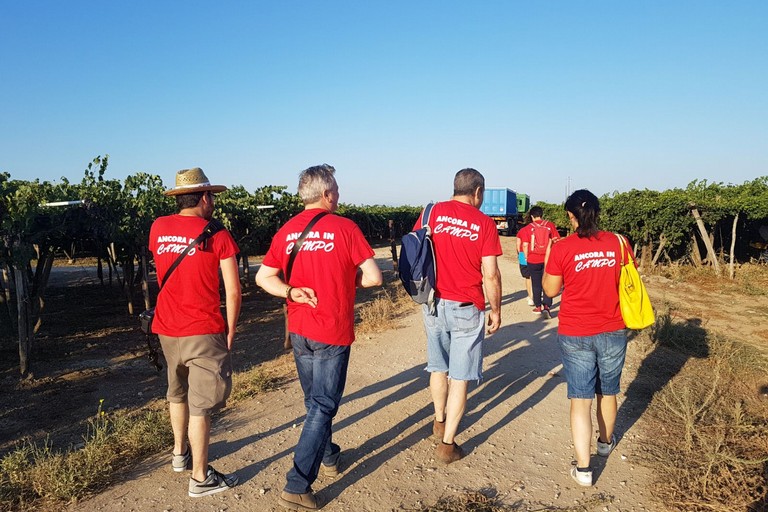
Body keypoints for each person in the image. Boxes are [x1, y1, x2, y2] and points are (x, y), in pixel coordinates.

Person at [255, 164, 382, 511]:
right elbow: (373, 278)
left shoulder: (286, 231)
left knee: (315, 403)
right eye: (336, 190)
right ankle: (297, 484)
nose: (339, 196)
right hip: (331, 330)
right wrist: (345, 279)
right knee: (324, 405)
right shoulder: (346, 228)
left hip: (300, 330)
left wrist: (291, 291)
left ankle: (328, 455)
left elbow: (264, 278)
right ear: (326, 194)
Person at [148, 167, 242, 497]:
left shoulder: (158, 228)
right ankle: (200, 478)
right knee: (201, 406)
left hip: (166, 327)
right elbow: (232, 291)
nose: (213, 202)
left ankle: (179, 455)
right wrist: (230, 331)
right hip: (203, 329)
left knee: (177, 392)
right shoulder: (217, 233)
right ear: (204, 197)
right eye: (211, 196)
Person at [542, 189, 628, 487]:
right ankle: (605, 443)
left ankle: (583, 469)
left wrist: (552, 255)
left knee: (581, 398)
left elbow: (551, 291)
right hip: (613, 328)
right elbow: (627, 280)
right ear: (597, 212)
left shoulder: (563, 248)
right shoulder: (619, 242)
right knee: (608, 391)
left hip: (576, 331)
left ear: (570, 216)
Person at [418, 168, 502, 464]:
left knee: (438, 368)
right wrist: (496, 309)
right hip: (467, 307)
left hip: (432, 303)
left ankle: (438, 419)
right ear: (477, 192)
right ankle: (447, 443)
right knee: (461, 377)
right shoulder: (484, 223)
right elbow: (490, 274)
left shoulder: (430, 213)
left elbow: (417, 252)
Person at [519, 205, 560, 317]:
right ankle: (547, 306)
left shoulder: (528, 228)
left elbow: (525, 245)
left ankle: (538, 307)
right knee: (547, 282)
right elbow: (556, 241)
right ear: (542, 215)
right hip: (548, 260)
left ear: (532, 216)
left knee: (536, 284)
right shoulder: (550, 225)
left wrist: (527, 258)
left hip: (533, 260)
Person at [516, 213, 534, 306]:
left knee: (528, 277)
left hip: (524, 255)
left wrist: (519, 254)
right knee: (537, 276)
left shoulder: (522, 231)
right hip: (536, 254)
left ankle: (530, 297)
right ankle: (538, 294)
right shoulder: (540, 229)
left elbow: (519, 245)